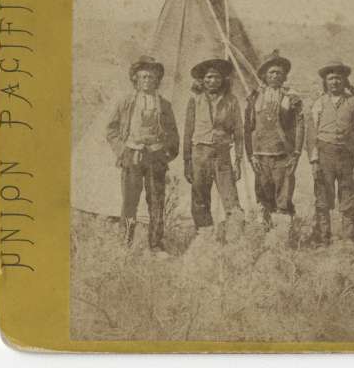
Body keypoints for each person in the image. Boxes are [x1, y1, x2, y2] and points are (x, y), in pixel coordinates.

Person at [105, 56, 179, 253]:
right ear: (136, 80)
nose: (147, 81)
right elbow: (111, 130)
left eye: (152, 77)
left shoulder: (164, 105)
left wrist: (166, 154)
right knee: (130, 201)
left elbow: (173, 133)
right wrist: (122, 151)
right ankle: (125, 244)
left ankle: (155, 245)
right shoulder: (126, 103)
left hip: (155, 157)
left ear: (157, 81)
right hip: (132, 156)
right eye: (143, 77)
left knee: (156, 201)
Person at [244, 50, 305, 245]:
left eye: (279, 72)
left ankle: (282, 241)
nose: (275, 76)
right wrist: (250, 154)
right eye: (271, 73)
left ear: (284, 76)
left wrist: (296, 153)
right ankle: (264, 239)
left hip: (282, 156)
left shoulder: (291, 98)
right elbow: (248, 127)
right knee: (263, 197)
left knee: (283, 197)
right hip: (261, 156)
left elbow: (299, 126)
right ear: (264, 76)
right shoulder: (254, 98)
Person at [183, 58, 244, 243]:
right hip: (199, 153)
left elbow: (239, 133)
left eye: (217, 77)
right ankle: (205, 239)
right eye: (209, 77)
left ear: (222, 80)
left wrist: (238, 161)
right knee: (200, 198)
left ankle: (234, 240)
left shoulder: (231, 101)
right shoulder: (195, 99)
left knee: (230, 198)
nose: (213, 81)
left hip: (222, 154)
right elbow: (188, 131)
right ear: (202, 80)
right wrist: (187, 161)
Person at [307, 60, 354, 245]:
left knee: (349, 197)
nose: (335, 82)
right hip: (325, 154)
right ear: (325, 81)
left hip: (347, 156)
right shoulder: (319, 103)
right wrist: (315, 161)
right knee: (323, 197)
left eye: (338, 79)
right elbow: (312, 135)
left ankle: (349, 238)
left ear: (344, 81)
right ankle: (323, 239)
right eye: (331, 79)